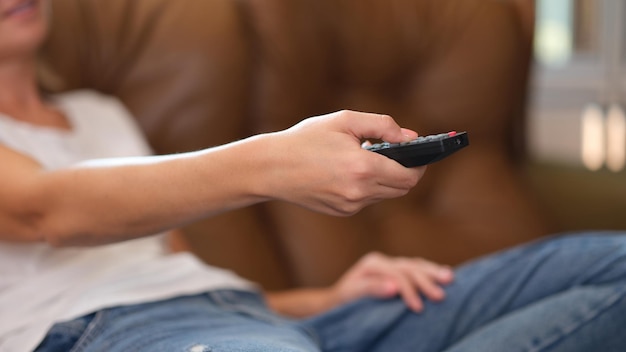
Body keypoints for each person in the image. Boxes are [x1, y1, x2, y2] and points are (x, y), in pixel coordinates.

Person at [1, 1, 626, 351]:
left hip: (263, 321)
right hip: (112, 336)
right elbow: (44, 212)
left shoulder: (100, 114)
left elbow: (175, 274)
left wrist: (331, 298)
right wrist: (271, 162)